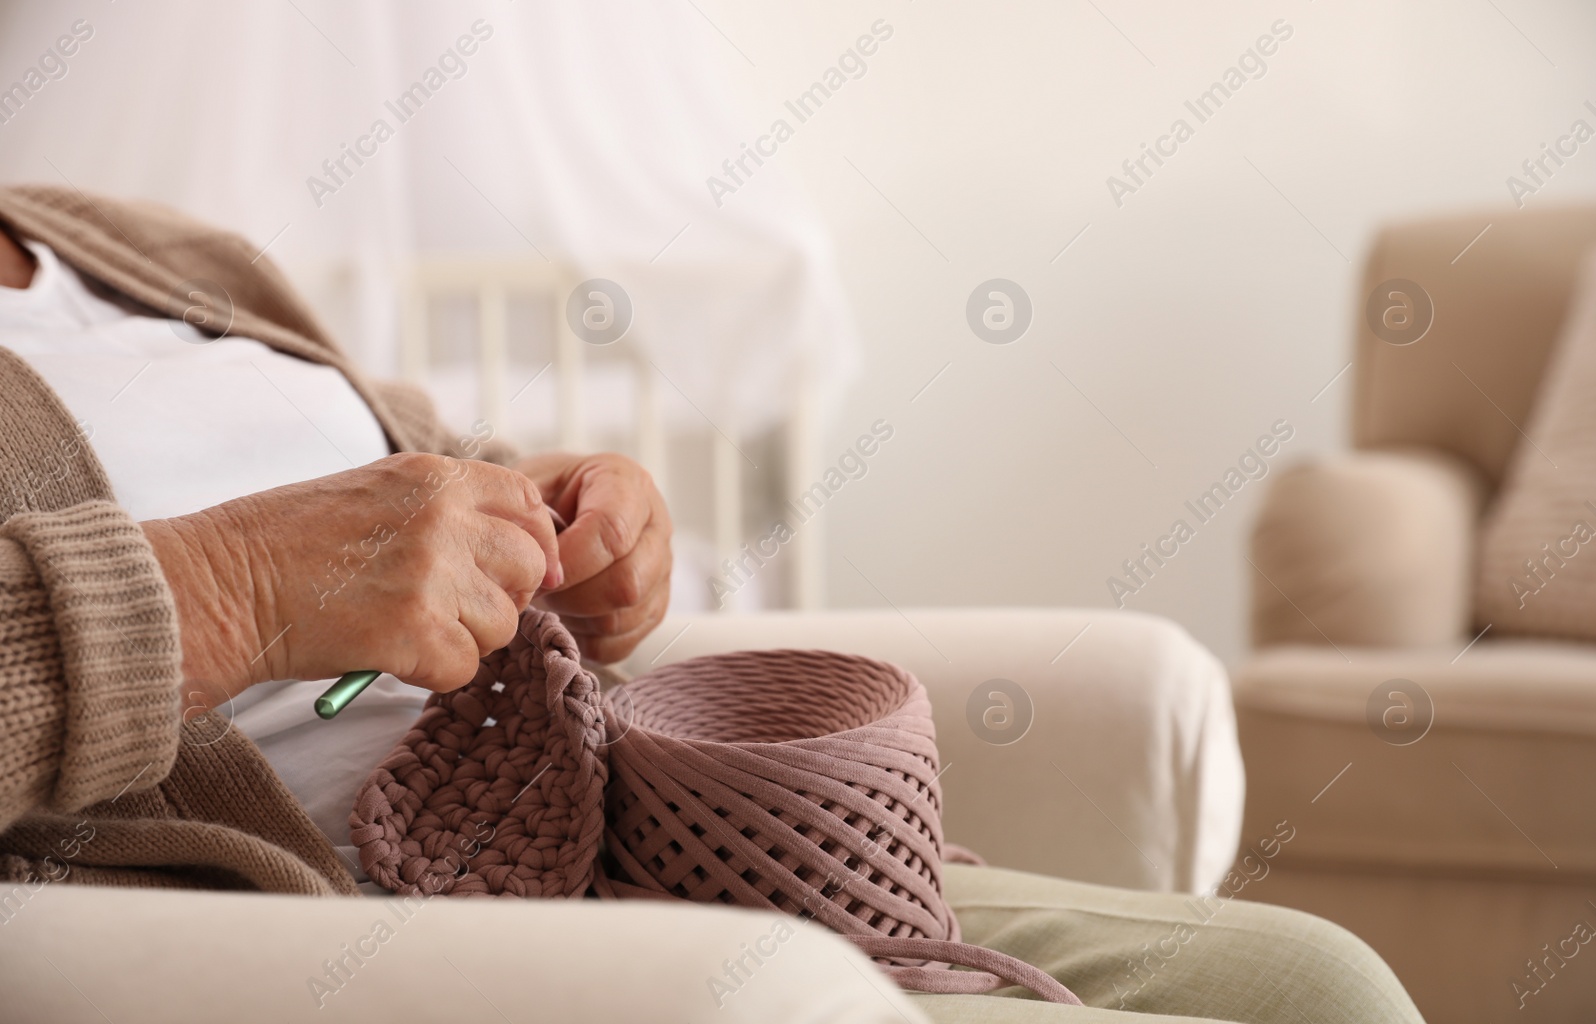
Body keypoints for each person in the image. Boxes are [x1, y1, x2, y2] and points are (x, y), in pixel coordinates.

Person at [0, 185, 1425, 1022]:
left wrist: (543, 521)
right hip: (387, 915)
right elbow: (292, 553)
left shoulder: (112, 246)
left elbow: (401, 478)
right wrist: (239, 590)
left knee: (1321, 984)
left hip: (661, 833)